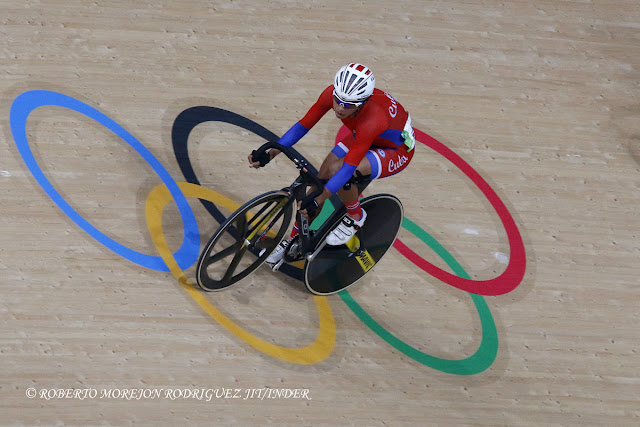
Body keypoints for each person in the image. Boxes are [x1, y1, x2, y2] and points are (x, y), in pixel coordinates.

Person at [248, 62, 415, 270]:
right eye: (338, 101)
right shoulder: (332, 94)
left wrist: (319, 200)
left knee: (340, 175)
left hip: (396, 150)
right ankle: (292, 241)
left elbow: (346, 169)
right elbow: (303, 125)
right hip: (364, 135)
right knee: (323, 175)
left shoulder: (372, 120)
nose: (339, 108)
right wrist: (272, 152)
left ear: (361, 103)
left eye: (348, 105)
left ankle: (356, 216)